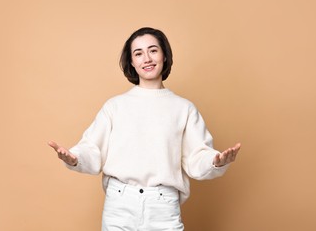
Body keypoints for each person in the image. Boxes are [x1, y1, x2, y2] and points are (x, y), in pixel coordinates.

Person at [48, 27, 241, 230]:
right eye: (138, 53)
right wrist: (75, 158)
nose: (146, 58)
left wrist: (216, 162)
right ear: (131, 62)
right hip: (119, 206)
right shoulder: (115, 106)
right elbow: (92, 148)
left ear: (164, 55)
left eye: (153, 50)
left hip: (163, 207)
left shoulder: (184, 108)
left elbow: (197, 156)